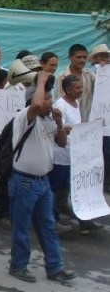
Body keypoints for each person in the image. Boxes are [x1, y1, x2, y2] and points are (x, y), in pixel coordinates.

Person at [7, 70, 76, 285]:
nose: (50, 102)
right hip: (24, 182)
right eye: (47, 98)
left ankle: (55, 267)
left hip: (43, 183)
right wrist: (42, 81)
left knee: (47, 226)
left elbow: (62, 143)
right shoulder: (26, 116)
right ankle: (18, 265)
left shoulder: (47, 120)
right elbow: (36, 105)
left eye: (50, 98)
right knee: (21, 227)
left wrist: (58, 123)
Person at [49, 74, 104, 234]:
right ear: (67, 89)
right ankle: (52, 221)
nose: (81, 90)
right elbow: (56, 132)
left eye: (81, 87)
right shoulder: (60, 106)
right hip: (61, 157)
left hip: (75, 155)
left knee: (76, 189)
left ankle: (84, 221)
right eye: (78, 88)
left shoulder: (76, 102)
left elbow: (76, 127)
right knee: (54, 189)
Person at [55, 44, 94, 122]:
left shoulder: (89, 74)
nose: (82, 60)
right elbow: (60, 99)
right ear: (70, 57)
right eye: (78, 57)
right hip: (70, 124)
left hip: (88, 121)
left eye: (85, 57)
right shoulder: (62, 77)